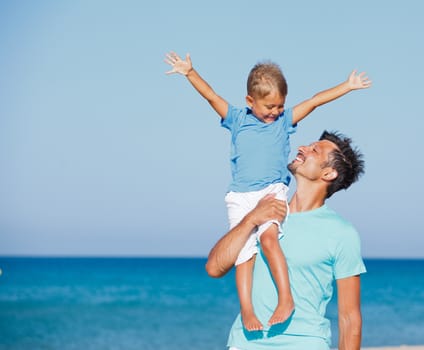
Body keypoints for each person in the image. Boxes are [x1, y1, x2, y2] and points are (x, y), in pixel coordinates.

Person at [165, 51, 371, 331]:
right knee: (244, 256)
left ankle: (286, 298)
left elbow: (314, 101)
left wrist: (346, 87)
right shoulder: (237, 119)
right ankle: (247, 310)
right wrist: (190, 72)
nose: (275, 112)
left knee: (270, 239)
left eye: (279, 106)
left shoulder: (284, 123)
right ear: (250, 101)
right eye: (269, 107)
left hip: (272, 190)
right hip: (240, 195)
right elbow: (211, 96)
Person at [206, 130, 367, 350]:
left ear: (328, 174)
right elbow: (215, 268)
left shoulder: (341, 233)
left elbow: (349, 317)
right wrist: (251, 219)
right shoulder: (262, 211)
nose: (302, 148)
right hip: (246, 343)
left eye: (314, 150)